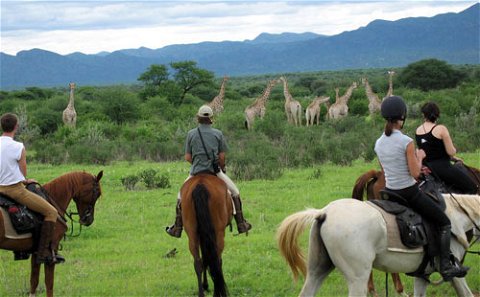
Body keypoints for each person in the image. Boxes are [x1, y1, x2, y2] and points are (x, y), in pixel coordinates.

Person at [374, 96, 469, 281]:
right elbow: (416, 173)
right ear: (403, 117)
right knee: (443, 222)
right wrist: (419, 155)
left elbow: (385, 170)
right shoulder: (406, 141)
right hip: (408, 192)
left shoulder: (378, 143)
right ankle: (445, 265)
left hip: (389, 193)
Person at [166, 105, 252, 237]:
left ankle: (177, 228)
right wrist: (220, 167)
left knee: (180, 197)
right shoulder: (218, 134)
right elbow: (222, 157)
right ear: (211, 118)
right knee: (235, 192)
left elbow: (187, 157)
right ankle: (241, 224)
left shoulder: (191, 134)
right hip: (215, 172)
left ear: (198, 118)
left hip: (195, 172)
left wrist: (197, 164)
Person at [0, 113, 63, 264]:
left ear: (2, 126)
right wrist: (27, 181)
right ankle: (44, 253)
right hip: (14, 190)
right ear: (16, 127)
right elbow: (23, 173)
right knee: (51, 212)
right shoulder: (18, 147)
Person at [415, 101, 477, 194]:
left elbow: (429, 151)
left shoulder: (418, 130)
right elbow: (451, 152)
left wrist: (452, 158)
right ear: (437, 114)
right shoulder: (441, 129)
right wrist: (453, 153)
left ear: (423, 114)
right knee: (472, 187)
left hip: (427, 168)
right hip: (442, 168)